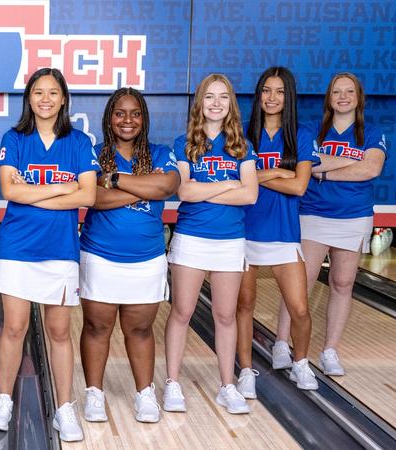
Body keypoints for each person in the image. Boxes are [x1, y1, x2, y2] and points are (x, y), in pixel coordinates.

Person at [0, 67, 98, 442]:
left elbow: (88, 196)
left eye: (52, 92)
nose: (45, 99)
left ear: (64, 99)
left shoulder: (79, 142)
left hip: (60, 248)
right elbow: (10, 192)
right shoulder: (14, 138)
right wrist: (63, 188)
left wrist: (33, 191)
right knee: (14, 327)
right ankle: (4, 400)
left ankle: (64, 408)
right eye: (38, 92)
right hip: (17, 247)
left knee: (59, 331)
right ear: (28, 99)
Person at [78, 87, 179, 424]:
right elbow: (94, 199)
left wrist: (116, 180)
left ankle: (144, 392)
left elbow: (167, 187)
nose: (127, 120)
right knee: (96, 327)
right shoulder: (94, 154)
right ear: (109, 118)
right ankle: (95, 393)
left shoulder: (160, 152)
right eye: (120, 113)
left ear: (144, 119)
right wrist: (144, 186)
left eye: (135, 114)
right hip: (99, 256)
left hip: (147, 259)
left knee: (140, 330)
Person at [277, 73, 387, 376]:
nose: (343, 97)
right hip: (313, 214)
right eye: (337, 92)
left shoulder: (372, 132)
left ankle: (329, 350)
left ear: (359, 98)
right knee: (300, 284)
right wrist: (352, 161)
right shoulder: (311, 130)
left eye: (349, 91)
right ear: (329, 98)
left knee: (342, 284)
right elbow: (307, 163)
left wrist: (324, 171)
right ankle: (281, 343)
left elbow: (371, 168)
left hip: (354, 216)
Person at [164, 74, 258, 415]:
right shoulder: (184, 143)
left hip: (230, 241)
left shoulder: (243, 147)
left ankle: (227, 386)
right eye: (209, 97)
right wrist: (229, 185)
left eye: (223, 97)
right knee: (182, 312)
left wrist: (209, 190)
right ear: (199, 103)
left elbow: (250, 194)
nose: (216, 103)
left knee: (225, 315)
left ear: (231, 104)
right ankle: (172, 383)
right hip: (191, 238)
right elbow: (184, 191)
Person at [236, 67, 318, 397]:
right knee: (244, 307)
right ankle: (245, 370)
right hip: (244, 232)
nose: (272, 98)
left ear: (289, 96)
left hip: (284, 234)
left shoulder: (301, 134)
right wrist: (280, 172)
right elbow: (241, 182)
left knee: (300, 309)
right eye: (266, 90)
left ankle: (301, 362)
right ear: (258, 95)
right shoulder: (242, 134)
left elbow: (299, 187)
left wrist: (259, 175)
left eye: (280, 91)